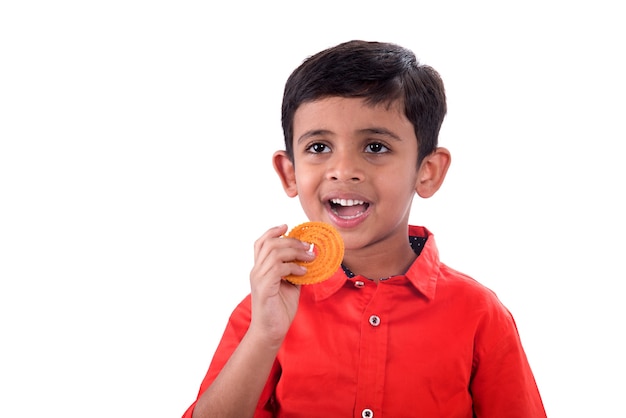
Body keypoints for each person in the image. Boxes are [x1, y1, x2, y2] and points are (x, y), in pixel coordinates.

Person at [182, 40, 546, 418]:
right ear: (289, 172)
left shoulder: (479, 314)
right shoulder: (266, 310)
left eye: (375, 147)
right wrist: (264, 336)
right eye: (319, 147)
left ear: (428, 171)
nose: (343, 169)